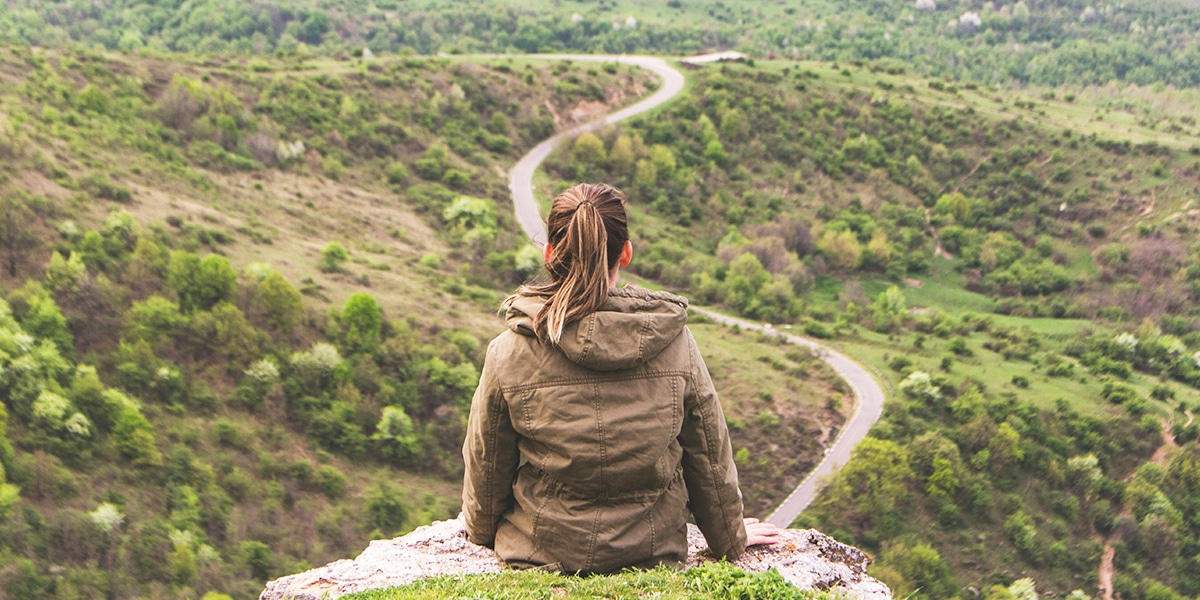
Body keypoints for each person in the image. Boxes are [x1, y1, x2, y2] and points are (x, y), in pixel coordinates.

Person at [461, 183, 778, 574]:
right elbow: (708, 454)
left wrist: (479, 531)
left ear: (549, 254)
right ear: (625, 252)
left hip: (539, 553)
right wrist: (730, 539)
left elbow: (487, 461)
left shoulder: (509, 350)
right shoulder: (674, 342)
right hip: (652, 553)